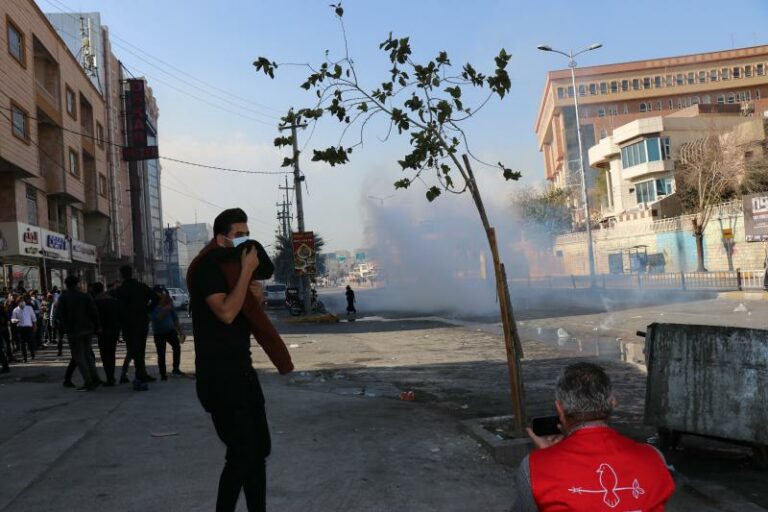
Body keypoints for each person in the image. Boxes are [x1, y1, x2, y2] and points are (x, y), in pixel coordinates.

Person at [187, 208, 272, 512]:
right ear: (222, 238)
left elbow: (243, 315)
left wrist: (255, 295)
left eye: (247, 235)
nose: (245, 241)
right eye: (239, 235)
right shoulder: (207, 267)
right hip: (219, 378)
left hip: (242, 372)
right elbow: (225, 312)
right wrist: (248, 271)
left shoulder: (233, 271)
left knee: (258, 450)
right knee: (243, 454)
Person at [510, 362, 675, 512]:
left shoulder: (534, 467)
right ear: (612, 403)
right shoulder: (654, 458)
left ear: (559, 409)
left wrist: (548, 458)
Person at [112, 265, 158, 390]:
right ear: (132, 273)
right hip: (142, 322)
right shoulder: (141, 286)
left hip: (128, 325)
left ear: (121, 275)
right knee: (140, 350)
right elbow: (156, 298)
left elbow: (117, 308)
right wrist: (147, 311)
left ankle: (140, 377)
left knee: (133, 350)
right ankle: (141, 375)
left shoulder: (120, 290)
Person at [56, 275, 102, 391]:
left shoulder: (64, 297)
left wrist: (63, 327)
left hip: (74, 331)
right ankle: (95, 378)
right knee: (87, 355)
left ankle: (88, 382)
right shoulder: (85, 295)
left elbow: (59, 315)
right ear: (77, 284)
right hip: (87, 329)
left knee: (79, 357)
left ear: (66, 284)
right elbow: (94, 312)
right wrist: (97, 326)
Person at [150, 286, 184, 381]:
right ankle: (163, 374)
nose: (163, 296)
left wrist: (180, 332)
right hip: (159, 333)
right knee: (161, 353)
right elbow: (158, 319)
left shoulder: (168, 304)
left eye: (163, 293)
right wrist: (166, 309)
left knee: (177, 347)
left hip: (170, 331)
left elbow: (175, 318)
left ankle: (176, 369)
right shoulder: (153, 306)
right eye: (161, 294)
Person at [92, 282, 121, 386]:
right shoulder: (113, 301)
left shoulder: (95, 302)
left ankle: (109, 377)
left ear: (94, 291)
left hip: (102, 332)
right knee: (112, 354)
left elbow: (94, 318)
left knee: (105, 355)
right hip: (114, 331)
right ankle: (111, 377)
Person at [11, 295, 36, 362]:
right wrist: (16, 320)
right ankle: (25, 357)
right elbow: (12, 319)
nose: (22, 302)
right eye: (20, 301)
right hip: (20, 328)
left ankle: (32, 354)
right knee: (22, 344)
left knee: (30, 342)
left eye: (23, 301)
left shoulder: (29, 308)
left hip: (29, 327)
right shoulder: (15, 310)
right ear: (18, 302)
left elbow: (33, 317)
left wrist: (34, 326)